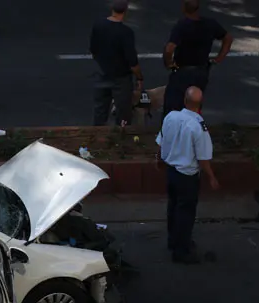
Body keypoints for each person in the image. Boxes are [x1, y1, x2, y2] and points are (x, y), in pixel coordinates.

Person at [156, 86, 219, 264]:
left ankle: (173, 241)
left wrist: (158, 159)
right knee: (186, 213)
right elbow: (203, 158)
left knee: (173, 207)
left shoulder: (171, 117)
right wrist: (212, 177)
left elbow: (162, 140)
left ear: (184, 100)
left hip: (171, 172)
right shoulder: (198, 127)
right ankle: (181, 251)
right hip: (187, 176)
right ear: (200, 105)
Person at [161, 0, 233, 118]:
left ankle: (173, 131)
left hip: (182, 71)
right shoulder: (210, 24)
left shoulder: (182, 26)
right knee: (194, 105)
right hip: (201, 71)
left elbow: (169, 49)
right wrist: (219, 58)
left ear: (184, 8)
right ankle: (192, 127)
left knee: (173, 105)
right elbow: (228, 38)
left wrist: (168, 63)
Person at [89, 0, 144, 126]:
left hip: (102, 73)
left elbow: (93, 49)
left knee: (99, 112)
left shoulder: (98, 25)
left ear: (112, 9)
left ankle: (98, 138)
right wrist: (139, 77)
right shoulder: (126, 32)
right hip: (121, 79)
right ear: (125, 11)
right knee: (123, 113)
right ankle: (121, 140)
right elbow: (132, 61)